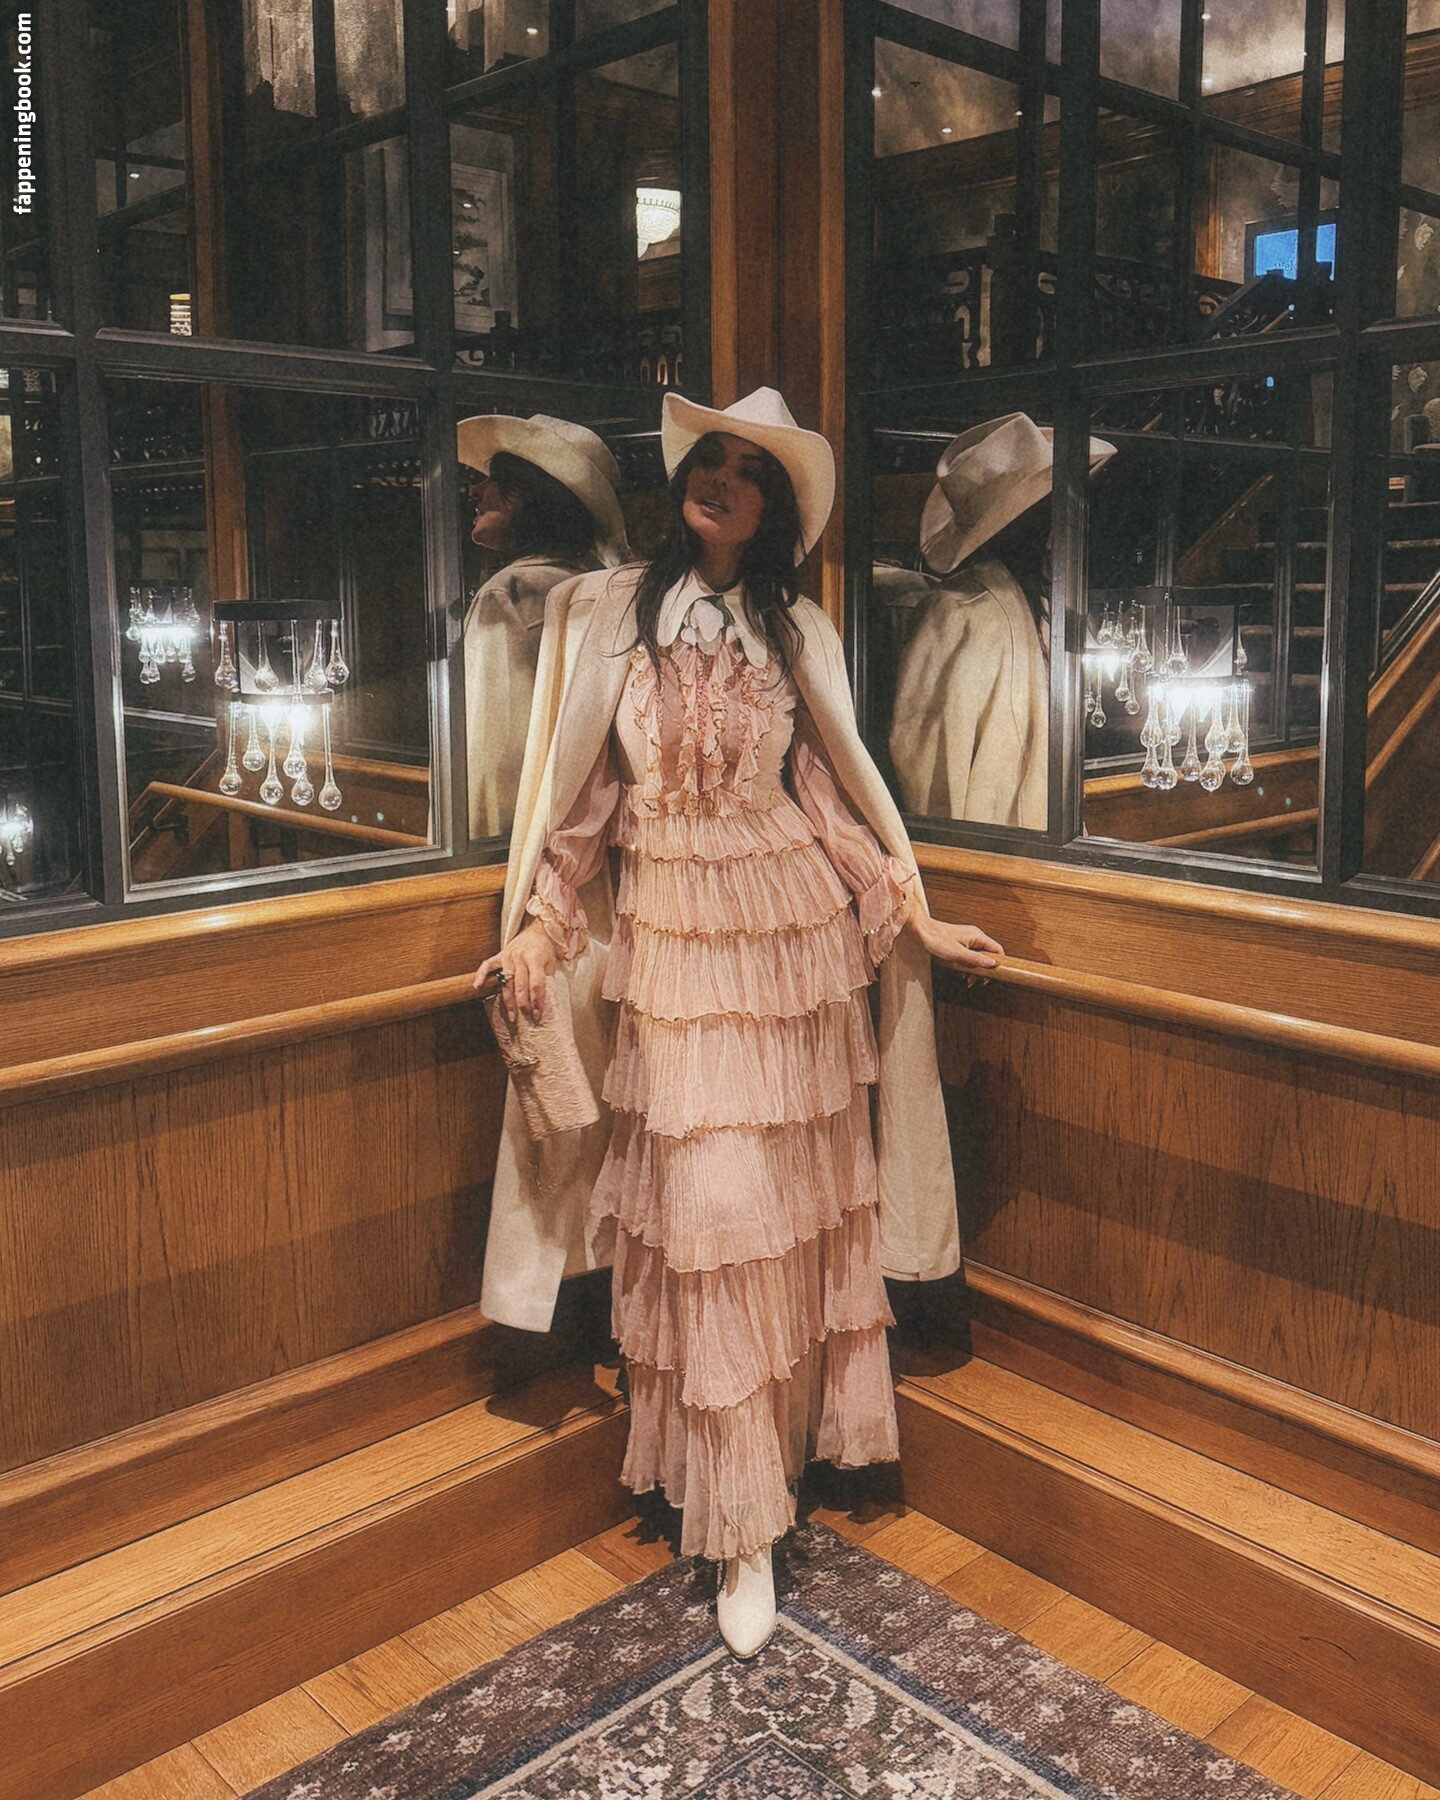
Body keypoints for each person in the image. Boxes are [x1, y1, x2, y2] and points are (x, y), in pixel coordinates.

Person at [474, 387, 1002, 1660]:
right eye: (705, 461)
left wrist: (917, 917)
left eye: (747, 471)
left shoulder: (796, 626)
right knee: (708, 1216)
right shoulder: (608, 612)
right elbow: (585, 798)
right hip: (673, 941)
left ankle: (777, 1474)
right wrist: (538, 930)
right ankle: (739, 1525)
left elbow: (829, 790)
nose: (718, 481)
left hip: (794, 945)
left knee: (788, 1216)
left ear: (776, 510)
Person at [889, 412, 1114, 827]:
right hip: (993, 847)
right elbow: (930, 772)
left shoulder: (1036, 605)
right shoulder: (959, 614)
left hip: (1040, 840)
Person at [459, 412, 629, 839]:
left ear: (523, 495)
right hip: (594, 829)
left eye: (496, 479)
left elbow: (493, 756)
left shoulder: (509, 593)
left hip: (526, 839)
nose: (476, 491)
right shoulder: (605, 585)